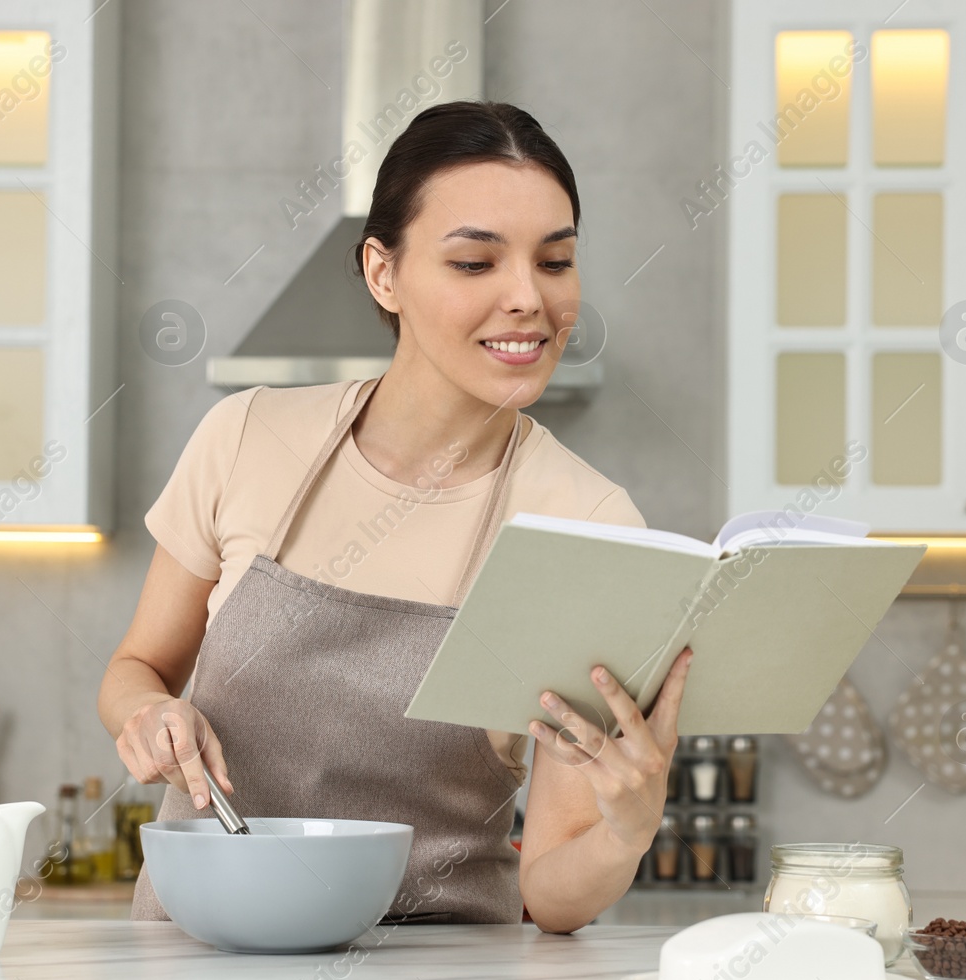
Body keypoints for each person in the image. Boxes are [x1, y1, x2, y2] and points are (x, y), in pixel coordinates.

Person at [98, 100, 692, 933]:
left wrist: (627, 831)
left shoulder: (587, 521)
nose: (528, 298)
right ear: (383, 273)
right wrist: (145, 714)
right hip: (198, 959)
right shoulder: (246, 437)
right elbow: (136, 666)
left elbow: (553, 890)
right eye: (475, 262)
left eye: (554, 262)